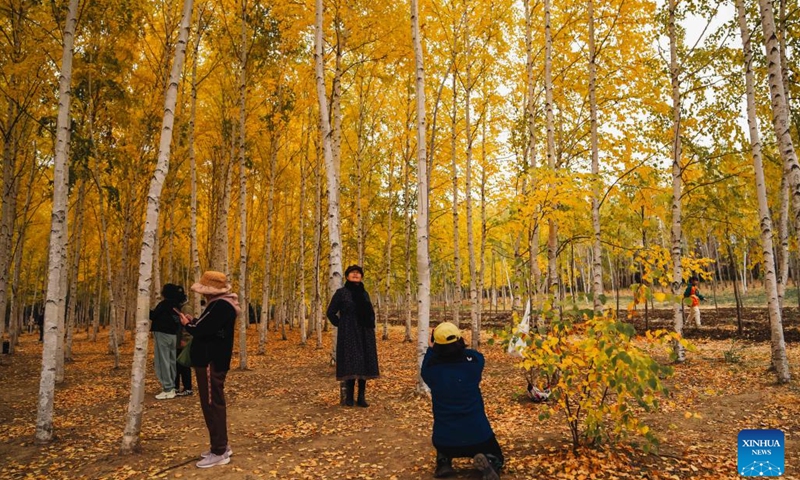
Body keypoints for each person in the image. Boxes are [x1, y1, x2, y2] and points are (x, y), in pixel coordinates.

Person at [421, 322, 504, 480]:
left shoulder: (431, 370)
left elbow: (426, 365)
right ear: (459, 340)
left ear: (436, 344)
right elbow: (477, 356)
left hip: (445, 440)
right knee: (496, 452)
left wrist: (431, 349)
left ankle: (444, 462)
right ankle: (492, 461)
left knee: (443, 440)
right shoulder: (474, 362)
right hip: (478, 436)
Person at [175, 271, 240, 469]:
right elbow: (207, 325)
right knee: (214, 403)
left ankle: (219, 451)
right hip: (214, 359)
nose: (203, 295)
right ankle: (220, 446)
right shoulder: (222, 304)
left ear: (210, 291)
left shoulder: (221, 305)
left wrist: (188, 324)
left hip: (211, 361)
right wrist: (194, 321)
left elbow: (202, 329)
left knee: (212, 404)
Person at [326, 264, 379, 407]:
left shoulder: (364, 293)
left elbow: (370, 311)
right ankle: (349, 397)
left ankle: (361, 397)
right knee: (350, 362)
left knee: (364, 362)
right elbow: (330, 312)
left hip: (365, 332)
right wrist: (341, 324)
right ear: (347, 276)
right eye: (352, 273)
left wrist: (371, 324)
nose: (355, 275)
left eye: (358, 273)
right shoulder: (341, 293)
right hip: (349, 333)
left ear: (361, 276)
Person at [149, 283, 186, 400]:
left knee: (162, 361)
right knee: (171, 361)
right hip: (173, 335)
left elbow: (153, 315)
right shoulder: (177, 305)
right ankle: (172, 387)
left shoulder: (164, 304)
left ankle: (168, 388)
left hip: (162, 334)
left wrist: (143, 308)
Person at [175, 322, 193, 396]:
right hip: (178, 340)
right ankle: (176, 386)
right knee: (177, 365)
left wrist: (185, 338)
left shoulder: (185, 310)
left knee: (183, 364)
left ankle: (187, 388)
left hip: (182, 341)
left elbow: (187, 323)